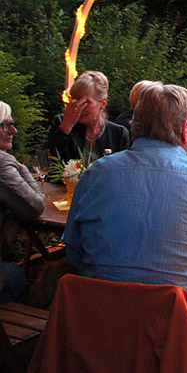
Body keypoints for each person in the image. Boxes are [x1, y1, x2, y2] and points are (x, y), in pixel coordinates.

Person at [62, 84, 187, 340]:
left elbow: (75, 251)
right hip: (177, 339)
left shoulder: (96, 174)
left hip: (101, 331)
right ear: (184, 130)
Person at [0, 101, 45, 303]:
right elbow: (35, 206)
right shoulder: (2, 163)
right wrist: (21, 167)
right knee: (18, 278)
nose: (14, 130)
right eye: (6, 125)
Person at [46, 71, 130, 163]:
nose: (79, 107)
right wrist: (66, 126)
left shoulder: (119, 134)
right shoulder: (61, 123)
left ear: (102, 104)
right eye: (75, 101)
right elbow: (47, 160)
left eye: (85, 102)